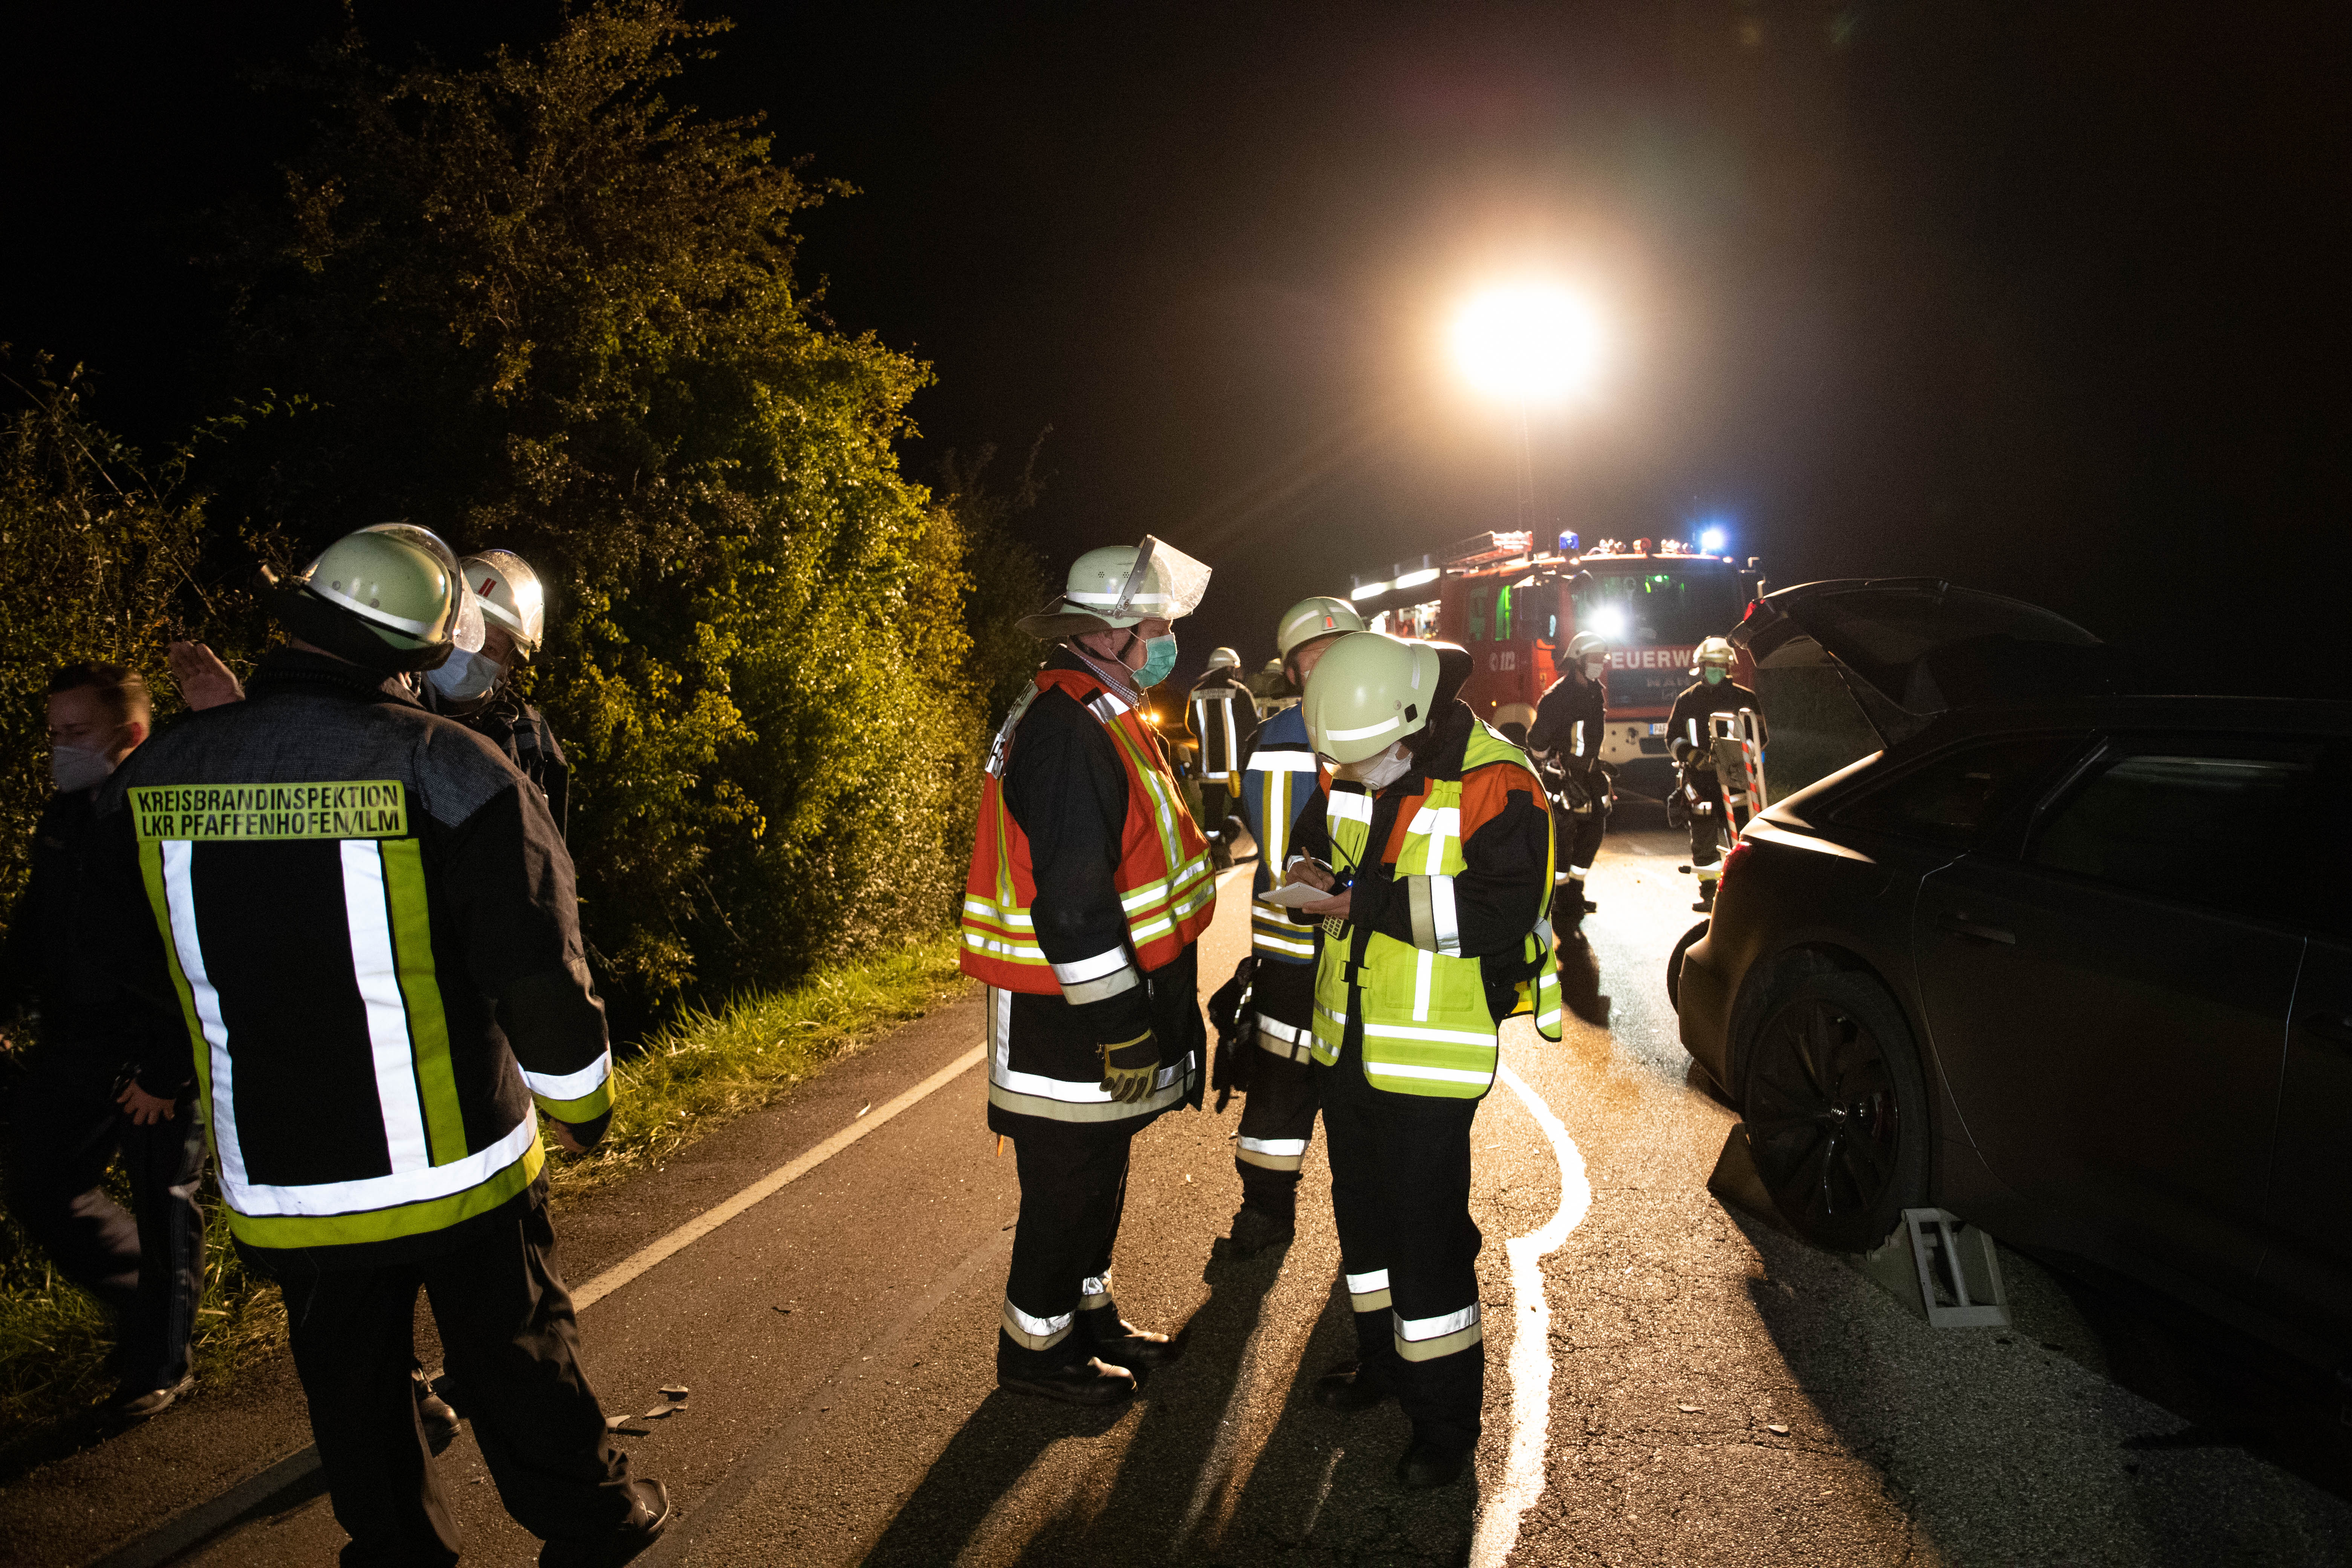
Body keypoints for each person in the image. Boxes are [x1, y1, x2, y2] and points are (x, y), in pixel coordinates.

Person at [86, 523, 668, 1567]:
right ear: (420, 648)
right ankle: (590, 1521)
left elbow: (116, 962)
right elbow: (537, 965)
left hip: (287, 1177)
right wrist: (582, 1108)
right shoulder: (453, 768)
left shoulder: (155, 775)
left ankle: (399, 1552)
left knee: (349, 1381)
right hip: (454, 1163)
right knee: (515, 1349)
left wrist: (159, 1069)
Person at [1280, 631, 1560, 1490]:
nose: (1348, 774)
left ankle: (1443, 1428)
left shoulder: (1497, 780)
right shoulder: (1357, 750)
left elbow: (1502, 909)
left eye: (1361, 761)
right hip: (1348, 1044)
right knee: (1363, 1227)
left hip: (1430, 1060)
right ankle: (1381, 1365)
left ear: (1415, 722)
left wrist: (1358, 901)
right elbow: (1313, 839)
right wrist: (1304, 875)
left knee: (1427, 1244)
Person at [960, 536, 1217, 1406]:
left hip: (1083, 1006)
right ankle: (1037, 1354)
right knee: (1066, 1185)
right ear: (1110, 634)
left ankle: (1087, 1317)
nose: (1168, 640)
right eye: (1157, 626)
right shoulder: (1070, 730)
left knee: (1097, 1170)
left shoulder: (1101, 708)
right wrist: (1124, 1029)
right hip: (1065, 1015)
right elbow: (1072, 910)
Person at [0, 662, 207, 1421]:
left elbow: (195, 951)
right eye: (55, 731)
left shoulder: (167, 818)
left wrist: (167, 1070)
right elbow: (38, 927)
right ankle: (146, 1309)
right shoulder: (65, 819)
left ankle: (161, 1365)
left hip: (155, 1049)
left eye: (77, 731)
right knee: (39, 1182)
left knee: (165, 1203)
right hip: (79, 1039)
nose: (61, 746)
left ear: (133, 734)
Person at [1219, 595, 1361, 1256]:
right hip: (1302, 956)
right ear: (1295, 673)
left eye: (1340, 654)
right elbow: (1282, 853)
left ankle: (1287, 1218)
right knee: (1283, 1091)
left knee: (1341, 1094)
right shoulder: (1281, 741)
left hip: (1348, 952)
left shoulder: (1380, 734)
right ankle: (1266, 1213)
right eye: (1315, 659)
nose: (1328, 669)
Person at [424, 550, 570, 838]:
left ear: (508, 665)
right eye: (464, 635)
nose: (470, 654)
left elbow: (549, 850)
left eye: (490, 648)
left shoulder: (530, 739)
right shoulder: (386, 699)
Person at [1667, 635, 1764, 913]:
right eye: (1712, 665)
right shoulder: (1687, 700)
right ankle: (1710, 894)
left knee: (1743, 840)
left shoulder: (1745, 699)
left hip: (1737, 782)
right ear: (1701, 666)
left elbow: (1760, 737)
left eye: (1721, 666)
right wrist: (1691, 756)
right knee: (1704, 842)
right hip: (1701, 783)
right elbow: (1673, 738)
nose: (1716, 670)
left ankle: (1743, 893)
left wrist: (1738, 757)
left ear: (1729, 667)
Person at [1526, 630, 1612, 942]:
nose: (1600, 664)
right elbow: (1537, 742)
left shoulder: (1595, 693)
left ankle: (1576, 891)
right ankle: (1562, 899)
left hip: (1590, 776)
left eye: (1602, 659)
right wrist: (1550, 766)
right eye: (1594, 659)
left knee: (1594, 831)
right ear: (1578, 661)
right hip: (1564, 780)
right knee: (1563, 840)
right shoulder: (1557, 698)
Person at [1185, 646, 1252, 871]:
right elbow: (1252, 726)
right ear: (1230, 669)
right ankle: (1226, 838)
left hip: (1209, 770)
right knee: (1241, 809)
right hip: (1236, 770)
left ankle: (1215, 850)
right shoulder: (1239, 691)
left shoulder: (1196, 693)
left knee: (1211, 813)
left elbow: (1191, 726)